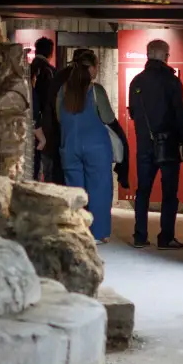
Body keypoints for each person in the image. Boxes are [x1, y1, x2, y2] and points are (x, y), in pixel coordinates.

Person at [128, 40, 183, 250]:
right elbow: (181, 116)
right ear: (165, 56)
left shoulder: (136, 82)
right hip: (169, 144)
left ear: (148, 55)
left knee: (143, 191)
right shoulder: (172, 82)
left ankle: (140, 235)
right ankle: (165, 237)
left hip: (145, 144)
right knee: (169, 193)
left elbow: (133, 113)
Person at [56, 49, 119, 244]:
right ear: (90, 68)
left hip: (69, 145)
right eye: (96, 66)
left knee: (75, 191)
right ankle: (97, 234)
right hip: (96, 147)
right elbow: (108, 117)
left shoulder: (63, 89)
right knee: (99, 189)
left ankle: (76, 230)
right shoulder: (95, 90)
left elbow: (59, 118)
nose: (97, 69)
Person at [29, 37, 62, 184]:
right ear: (51, 52)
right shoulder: (50, 72)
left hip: (26, 124)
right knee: (48, 170)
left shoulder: (27, 69)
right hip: (47, 126)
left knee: (30, 168)